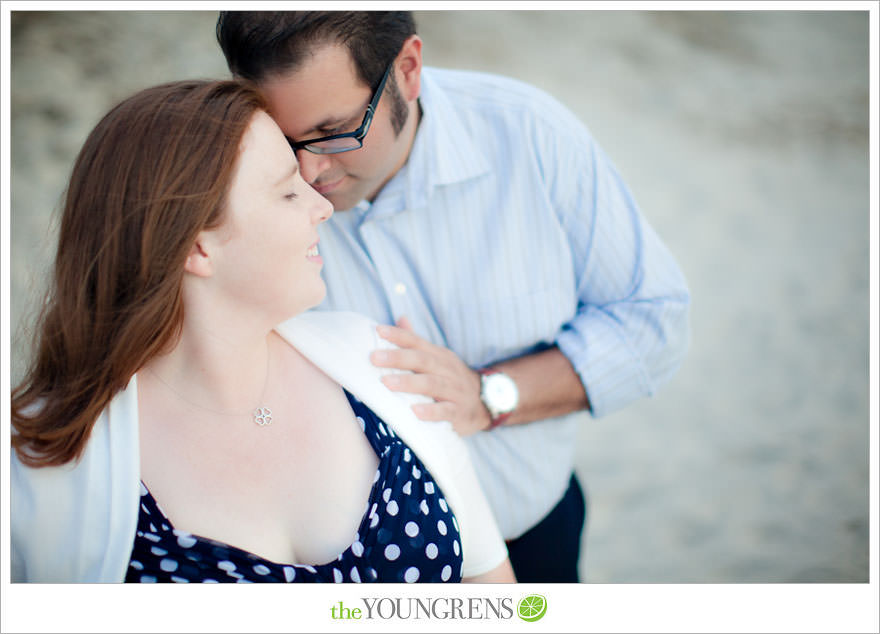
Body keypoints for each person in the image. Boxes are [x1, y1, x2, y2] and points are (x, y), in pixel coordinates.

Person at [216, 11, 692, 583]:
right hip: (357, 575)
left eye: (334, 130)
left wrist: (489, 394)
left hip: (534, 538)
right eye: (287, 140)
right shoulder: (240, 187)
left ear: (408, 70)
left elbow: (652, 320)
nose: (310, 169)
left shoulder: (532, 136)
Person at [10, 79, 515, 584]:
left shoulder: (376, 360)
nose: (321, 206)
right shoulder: (38, 463)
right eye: (288, 192)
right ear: (197, 249)